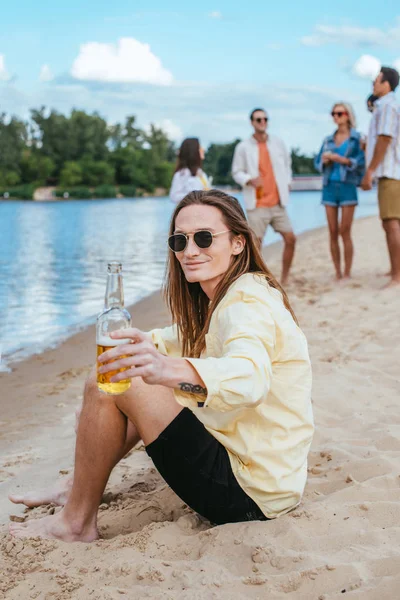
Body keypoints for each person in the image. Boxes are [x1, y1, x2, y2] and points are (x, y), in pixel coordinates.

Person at [9, 190, 314, 541]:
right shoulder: (228, 295)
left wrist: (164, 371)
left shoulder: (246, 304)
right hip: (269, 479)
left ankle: (74, 522)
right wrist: (144, 345)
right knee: (123, 373)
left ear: (238, 243)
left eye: (204, 238)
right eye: (179, 240)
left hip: (248, 493)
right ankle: (77, 486)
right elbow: (179, 337)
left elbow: (250, 376)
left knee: (113, 379)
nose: (190, 250)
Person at [231, 108, 295, 285]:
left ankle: (285, 277)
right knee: (255, 245)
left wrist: (288, 183)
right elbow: (236, 172)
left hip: (278, 202)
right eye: (259, 119)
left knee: (291, 239)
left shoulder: (278, 143)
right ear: (252, 122)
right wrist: (249, 180)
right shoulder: (243, 147)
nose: (262, 122)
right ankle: (256, 280)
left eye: (265, 119)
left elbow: (288, 165)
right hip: (257, 203)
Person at [314, 103, 365, 280]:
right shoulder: (328, 140)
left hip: (348, 186)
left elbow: (361, 162)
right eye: (333, 113)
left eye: (339, 113)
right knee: (333, 231)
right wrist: (325, 162)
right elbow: (317, 163)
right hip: (329, 187)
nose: (336, 117)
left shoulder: (357, 139)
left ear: (348, 115)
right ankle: (337, 271)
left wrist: (341, 159)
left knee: (345, 231)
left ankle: (347, 272)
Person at [361, 66, 400, 287]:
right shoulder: (386, 106)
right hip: (391, 172)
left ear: (386, 84)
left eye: (376, 81)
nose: (373, 85)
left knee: (391, 223)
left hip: (390, 172)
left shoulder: (387, 106)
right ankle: (395, 269)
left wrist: (370, 171)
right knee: (390, 223)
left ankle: (397, 275)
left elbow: (385, 139)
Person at [169, 138, 211, 204]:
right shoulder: (182, 174)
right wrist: (195, 195)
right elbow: (174, 196)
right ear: (193, 151)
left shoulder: (201, 173)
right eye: (200, 147)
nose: (203, 149)